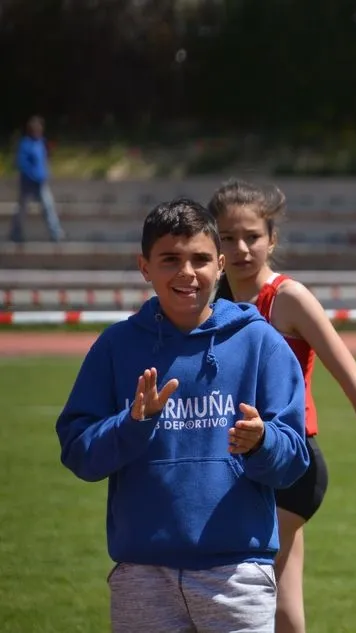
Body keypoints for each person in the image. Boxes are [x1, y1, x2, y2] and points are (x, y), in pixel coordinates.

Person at [55, 197, 311, 633]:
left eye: (200, 259)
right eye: (170, 259)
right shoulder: (116, 347)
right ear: (144, 267)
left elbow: (292, 462)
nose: (187, 272)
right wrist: (131, 425)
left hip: (237, 573)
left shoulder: (260, 343)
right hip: (142, 573)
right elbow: (79, 453)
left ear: (221, 265)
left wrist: (262, 442)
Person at [208, 178, 356, 633]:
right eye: (228, 237)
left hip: (291, 464)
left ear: (272, 239)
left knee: (236, 588)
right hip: (238, 466)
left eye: (252, 236)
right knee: (282, 599)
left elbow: (353, 380)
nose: (241, 248)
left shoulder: (288, 299)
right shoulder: (213, 303)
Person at [9, 115, 64, 243]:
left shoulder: (41, 143)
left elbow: (44, 160)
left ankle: (56, 233)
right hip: (27, 183)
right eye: (36, 129)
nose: (39, 131)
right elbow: (21, 163)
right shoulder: (25, 144)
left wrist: (46, 172)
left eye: (40, 128)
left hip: (41, 182)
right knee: (22, 210)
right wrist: (32, 175)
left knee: (48, 207)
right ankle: (15, 233)